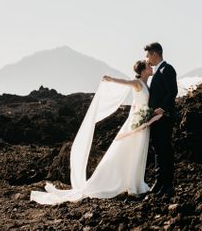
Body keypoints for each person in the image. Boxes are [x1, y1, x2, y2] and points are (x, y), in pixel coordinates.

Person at [29, 60, 154, 204]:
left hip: (141, 122)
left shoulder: (146, 84)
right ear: (143, 70)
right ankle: (127, 184)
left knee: (136, 152)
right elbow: (125, 82)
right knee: (129, 151)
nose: (151, 68)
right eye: (148, 66)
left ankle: (135, 182)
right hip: (136, 124)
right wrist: (111, 79)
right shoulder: (137, 82)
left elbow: (136, 104)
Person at [144, 42, 178, 198]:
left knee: (165, 149)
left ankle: (168, 185)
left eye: (147, 55)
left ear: (154, 54)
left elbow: (173, 91)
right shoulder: (157, 72)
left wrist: (162, 109)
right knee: (158, 149)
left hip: (164, 117)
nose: (146, 59)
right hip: (155, 118)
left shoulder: (167, 69)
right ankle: (159, 182)